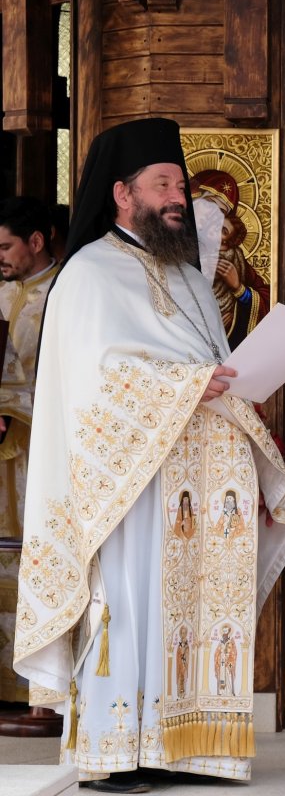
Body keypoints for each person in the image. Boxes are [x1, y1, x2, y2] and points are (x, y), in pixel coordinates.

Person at [12, 117, 285, 792]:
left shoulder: (188, 275)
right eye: (162, 183)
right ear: (122, 193)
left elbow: (209, 362)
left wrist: (227, 381)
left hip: (194, 480)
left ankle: (184, 744)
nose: (178, 195)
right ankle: (117, 753)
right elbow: (95, 382)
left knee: (187, 610)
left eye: (180, 182)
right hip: (127, 487)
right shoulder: (90, 272)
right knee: (132, 606)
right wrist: (184, 384)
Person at [0, 196, 59, 703]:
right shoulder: (1, 296)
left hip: (42, 448)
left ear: (36, 242)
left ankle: (35, 688)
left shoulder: (65, 294)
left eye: (5, 246)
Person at [190, 173, 271, 349]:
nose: (213, 216)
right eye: (209, 204)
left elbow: (268, 300)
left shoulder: (233, 258)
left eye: (220, 212)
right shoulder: (169, 245)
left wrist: (239, 291)